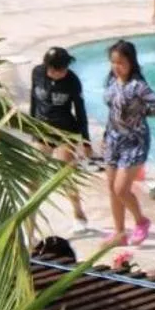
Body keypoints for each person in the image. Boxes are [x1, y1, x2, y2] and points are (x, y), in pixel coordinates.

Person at [100, 39, 155, 247]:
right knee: (111, 187)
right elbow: (113, 111)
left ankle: (141, 221)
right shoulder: (111, 82)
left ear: (131, 62)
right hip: (113, 139)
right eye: (113, 62)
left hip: (134, 142)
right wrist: (105, 136)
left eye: (121, 63)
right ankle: (119, 232)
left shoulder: (138, 87)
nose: (117, 67)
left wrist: (142, 111)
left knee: (121, 189)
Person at [30, 46, 94, 233]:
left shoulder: (72, 81)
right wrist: (30, 127)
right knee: (32, 179)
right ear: (48, 67)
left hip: (66, 132)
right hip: (42, 131)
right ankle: (30, 227)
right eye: (58, 70)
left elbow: (80, 111)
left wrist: (86, 142)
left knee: (64, 175)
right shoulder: (37, 73)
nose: (62, 72)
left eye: (65, 68)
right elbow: (34, 101)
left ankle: (78, 213)